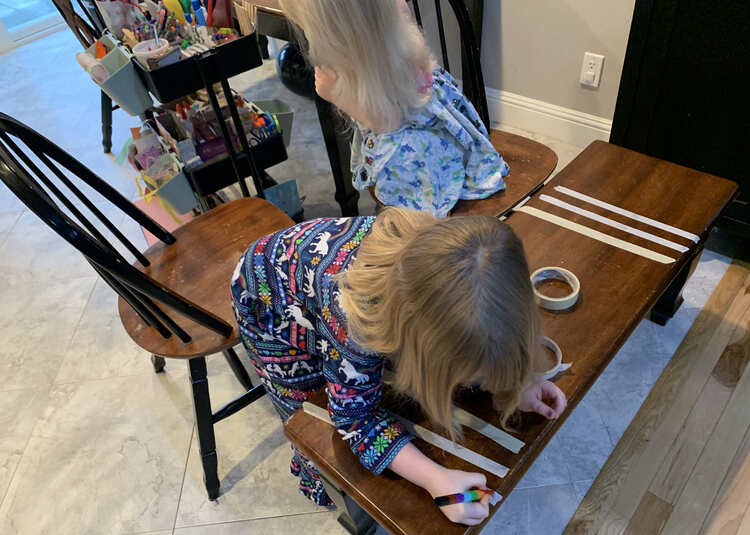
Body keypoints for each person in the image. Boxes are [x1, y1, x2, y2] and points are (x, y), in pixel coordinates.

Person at [231, 209, 567, 526]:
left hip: (325, 280)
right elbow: (354, 418)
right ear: (419, 353)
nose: (478, 382)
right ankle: (316, 480)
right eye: (471, 375)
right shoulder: (355, 324)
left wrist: (518, 380)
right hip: (268, 306)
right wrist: (435, 479)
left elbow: (487, 337)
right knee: (304, 408)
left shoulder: (452, 268)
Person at [279, 0, 509, 217]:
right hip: (429, 122)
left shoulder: (372, 63)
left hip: (416, 153)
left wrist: (335, 95)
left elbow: (386, 123)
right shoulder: (392, 19)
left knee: (410, 221)